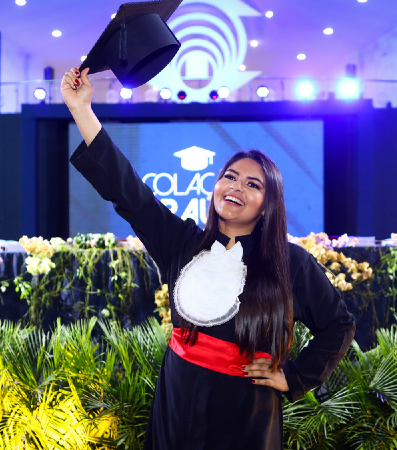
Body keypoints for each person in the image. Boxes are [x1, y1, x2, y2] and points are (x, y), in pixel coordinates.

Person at [62, 67, 355, 450]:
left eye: (253, 185)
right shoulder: (181, 242)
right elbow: (127, 191)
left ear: (267, 205)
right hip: (177, 398)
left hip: (246, 411)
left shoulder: (291, 262)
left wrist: (295, 376)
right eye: (230, 177)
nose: (236, 188)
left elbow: (339, 325)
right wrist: (82, 109)